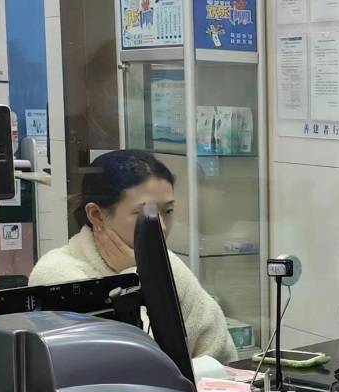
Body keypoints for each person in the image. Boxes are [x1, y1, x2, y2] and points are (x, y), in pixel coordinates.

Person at [29, 149, 237, 363]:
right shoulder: (57, 275)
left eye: (168, 211)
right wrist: (135, 277)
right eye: (146, 215)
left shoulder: (166, 261)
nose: (162, 228)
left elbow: (223, 353)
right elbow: (137, 364)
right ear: (96, 215)